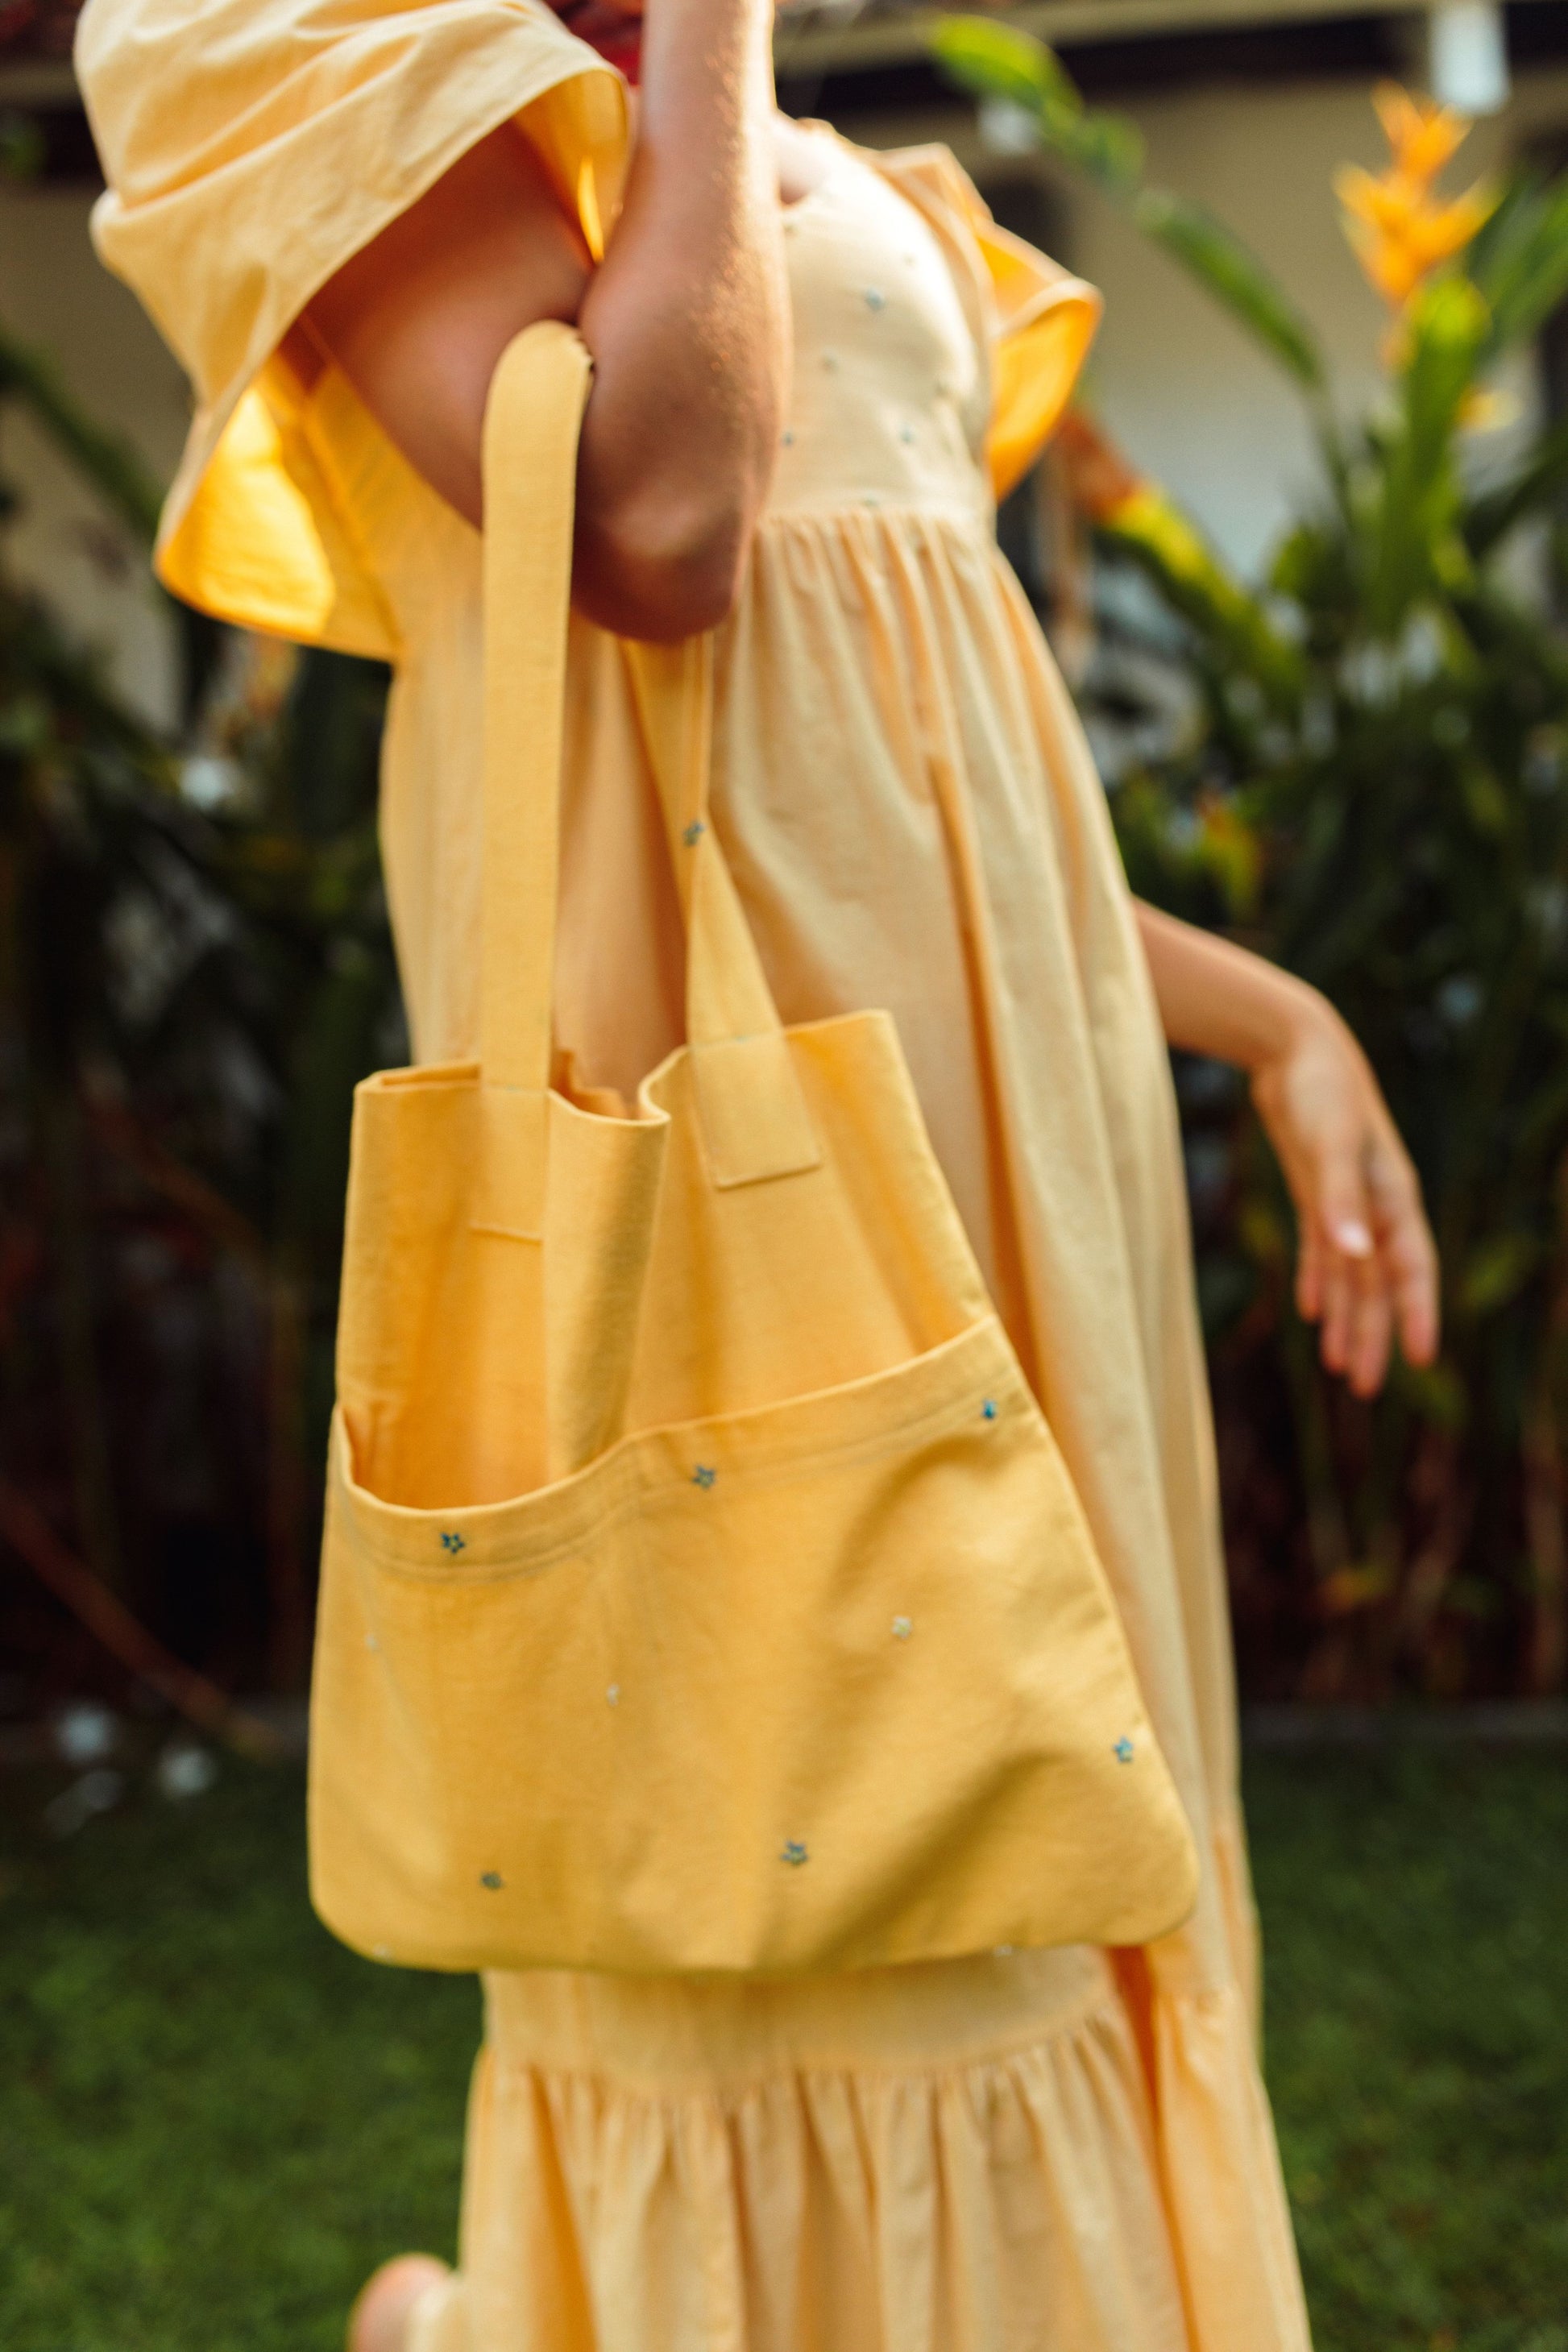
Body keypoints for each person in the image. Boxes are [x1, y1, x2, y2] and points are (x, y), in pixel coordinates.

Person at [76, 0, 1439, 2344]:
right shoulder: (286, 28)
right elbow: (665, 522)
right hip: (719, 1188)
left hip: (1023, 1188)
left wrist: (1280, 1022)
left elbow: (905, 793)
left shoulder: (800, 142)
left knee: (1056, 1851)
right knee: (819, 1879)